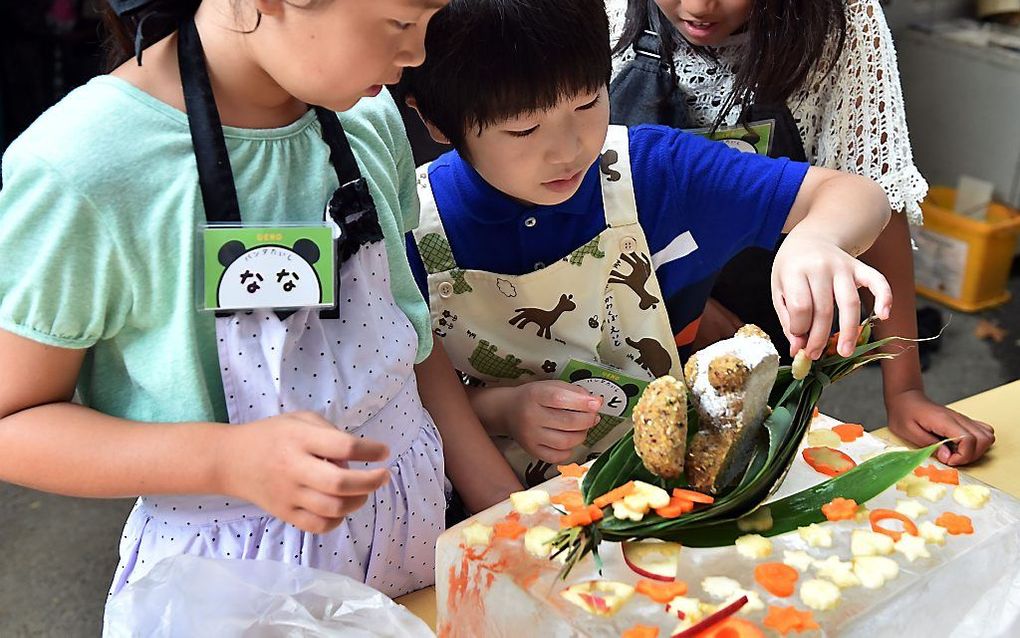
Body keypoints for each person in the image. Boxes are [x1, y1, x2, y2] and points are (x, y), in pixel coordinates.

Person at [0, 0, 521, 600]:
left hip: (416, 535)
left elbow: (411, 343)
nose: (418, 55)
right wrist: (225, 460)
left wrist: (508, 518)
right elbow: (14, 420)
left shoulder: (369, 117)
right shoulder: (86, 168)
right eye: (401, 24)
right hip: (230, 578)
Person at [398, 0, 893, 486]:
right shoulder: (413, 229)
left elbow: (857, 195)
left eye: (588, 102)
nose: (569, 151)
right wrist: (501, 410)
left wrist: (817, 237)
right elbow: (406, 400)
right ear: (438, 122)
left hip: (670, 492)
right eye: (523, 129)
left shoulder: (656, 171)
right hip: (493, 501)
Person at [608, 0, 995, 465]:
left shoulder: (843, 20)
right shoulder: (603, 16)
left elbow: (879, 191)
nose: (698, 7)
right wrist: (682, 303)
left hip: (775, 319)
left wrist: (906, 389)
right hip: (625, 309)